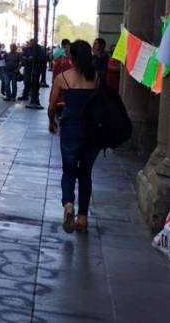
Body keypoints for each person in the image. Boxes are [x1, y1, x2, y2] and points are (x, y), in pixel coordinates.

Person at [48, 40, 100, 233]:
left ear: (72, 57)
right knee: (86, 174)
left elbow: (52, 105)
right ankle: (83, 217)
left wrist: (52, 121)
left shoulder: (63, 77)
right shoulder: (95, 78)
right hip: (92, 130)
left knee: (69, 171)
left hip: (70, 128)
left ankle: (68, 204)